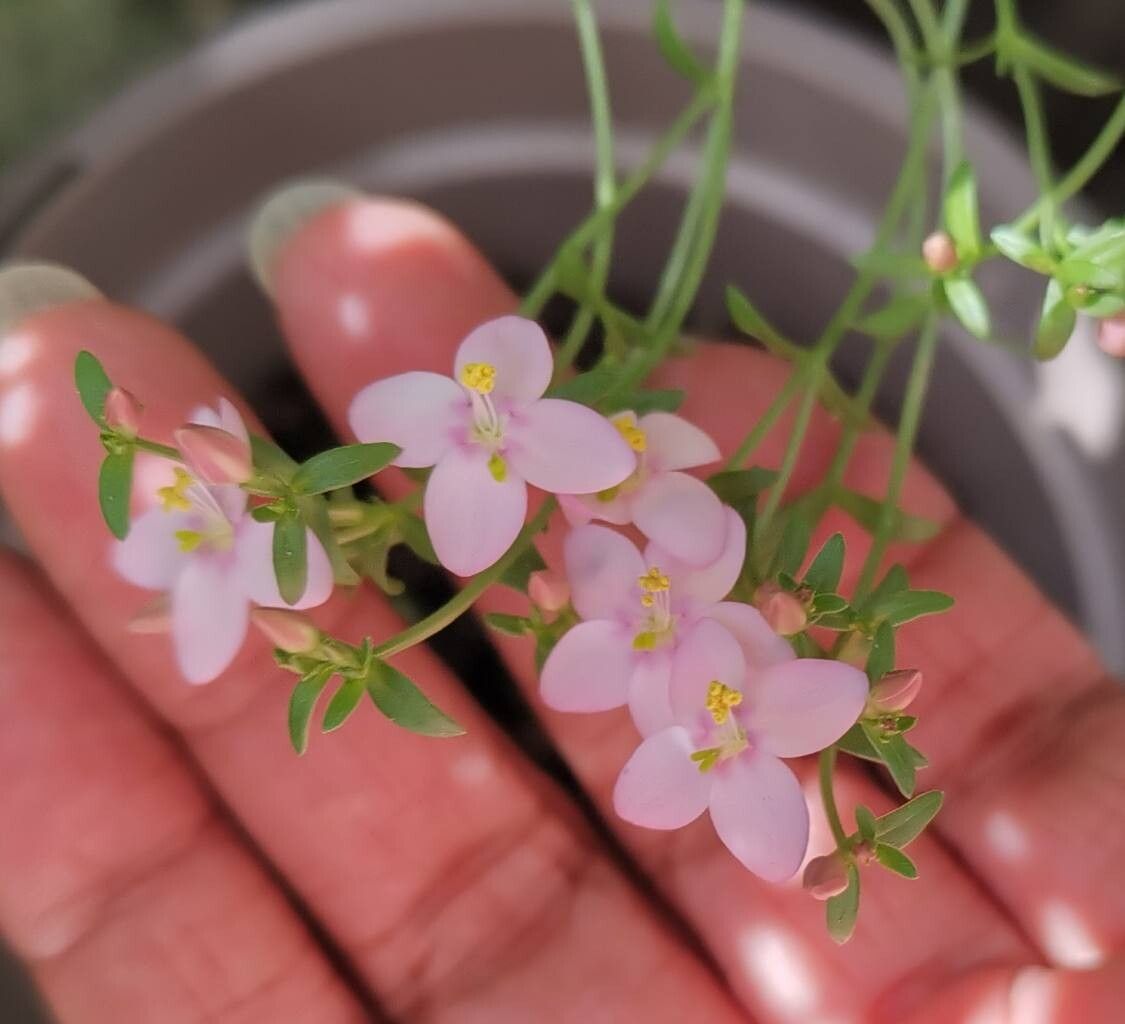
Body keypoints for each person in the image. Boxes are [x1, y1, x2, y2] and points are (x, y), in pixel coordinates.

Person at [0, 187, 1121, 1023]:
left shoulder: (703, 661)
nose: (722, 714)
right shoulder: (666, 637)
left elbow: (689, 640)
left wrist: (667, 610)